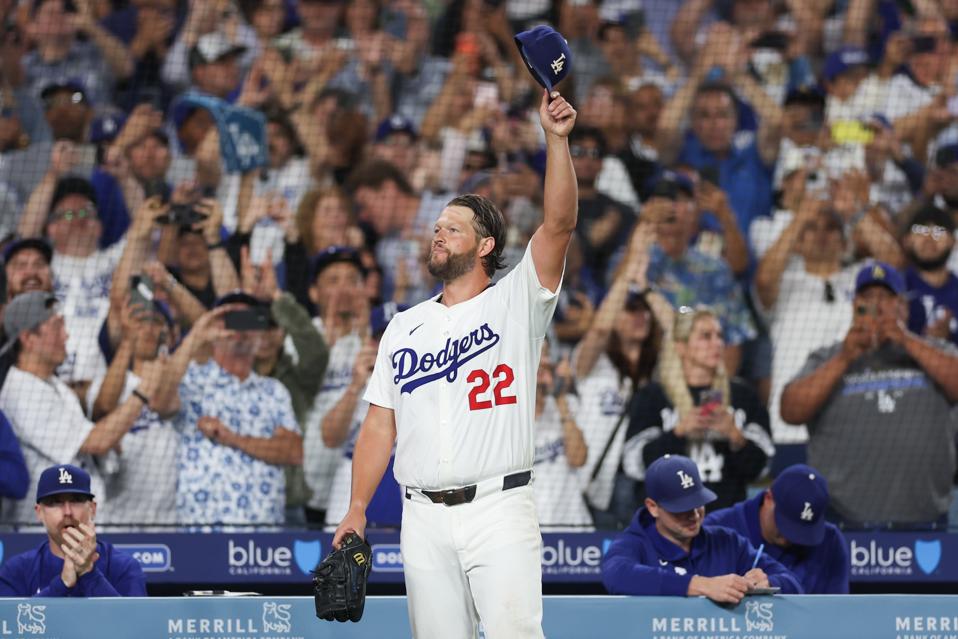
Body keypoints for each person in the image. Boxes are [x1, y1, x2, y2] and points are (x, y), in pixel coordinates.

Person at [332, 88, 578, 638]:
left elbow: (559, 225)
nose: (437, 233)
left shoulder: (516, 300)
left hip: (499, 506)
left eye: (452, 227)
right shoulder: (403, 325)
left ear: (486, 245)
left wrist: (555, 141)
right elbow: (380, 423)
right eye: (436, 226)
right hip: (420, 517)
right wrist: (356, 508)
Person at [780, 261, 958, 526]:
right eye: (868, 297)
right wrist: (845, 357)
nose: (878, 305)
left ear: (904, 307)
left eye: (886, 297)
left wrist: (905, 340)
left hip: (924, 520)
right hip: (840, 522)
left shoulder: (935, 350)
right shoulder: (828, 356)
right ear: (855, 307)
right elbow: (791, 411)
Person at [0, 292, 158, 523]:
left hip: (77, 527)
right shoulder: (21, 392)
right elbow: (97, 441)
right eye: (56, 327)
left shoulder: (54, 386)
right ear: (29, 338)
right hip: (44, 535)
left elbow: (99, 445)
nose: (66, 335)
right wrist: (144, 392)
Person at [622, 306, 774, 511]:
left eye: (719, 336)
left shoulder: (743, 396)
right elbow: (635, 465)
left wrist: (735, 437)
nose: (717, 343)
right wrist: (679, 433)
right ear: (681, 346)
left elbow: (760, 469)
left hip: (725, 522)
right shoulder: (653, 397)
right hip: (667, 523)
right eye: (705, 336)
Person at [601, 455, 802, 600]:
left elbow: (793, 583)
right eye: (681, 508)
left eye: (698, 504)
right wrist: (701, 585)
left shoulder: (726, 541)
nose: (694, 515)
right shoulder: (635, 542)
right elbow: (617, 574)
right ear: (653, 507)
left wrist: (770, 582)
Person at [0, 464, 147, 597]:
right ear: (39, 512)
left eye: (76, 500)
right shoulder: (17, 570)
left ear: (92, 509)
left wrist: (88, 573)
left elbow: (134, 624)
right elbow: (13, 624)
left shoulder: (123, 566)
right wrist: (62, 584)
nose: (68, 512)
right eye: (55, 502)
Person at [706, 464, 849, 594]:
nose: (792, 537)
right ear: (768, 498)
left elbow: (837, 612)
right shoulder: (716, 530)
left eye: (803, 530)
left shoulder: (830, 541)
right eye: (786, 524)